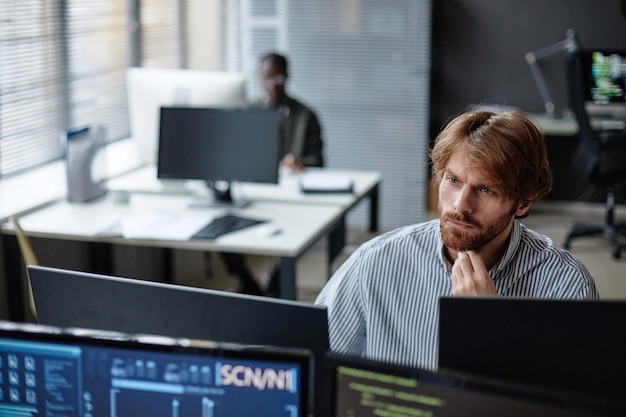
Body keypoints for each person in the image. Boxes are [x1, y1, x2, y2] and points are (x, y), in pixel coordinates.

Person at [315, 110, 599, 370]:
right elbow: (307, 362)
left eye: (486, 190)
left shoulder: (566, 286)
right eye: (453, 181)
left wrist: (493, 327)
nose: (461, 204)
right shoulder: (376, 261)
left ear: (523, 203)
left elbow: (566, 405)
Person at [258, 52, 324, 171]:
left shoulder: (306, 116)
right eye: (267, 78)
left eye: (278, 78)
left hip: (291, 180)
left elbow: (317, 160)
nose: (273, 85)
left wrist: (299, 162)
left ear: (287, 76)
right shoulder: (251, 112)